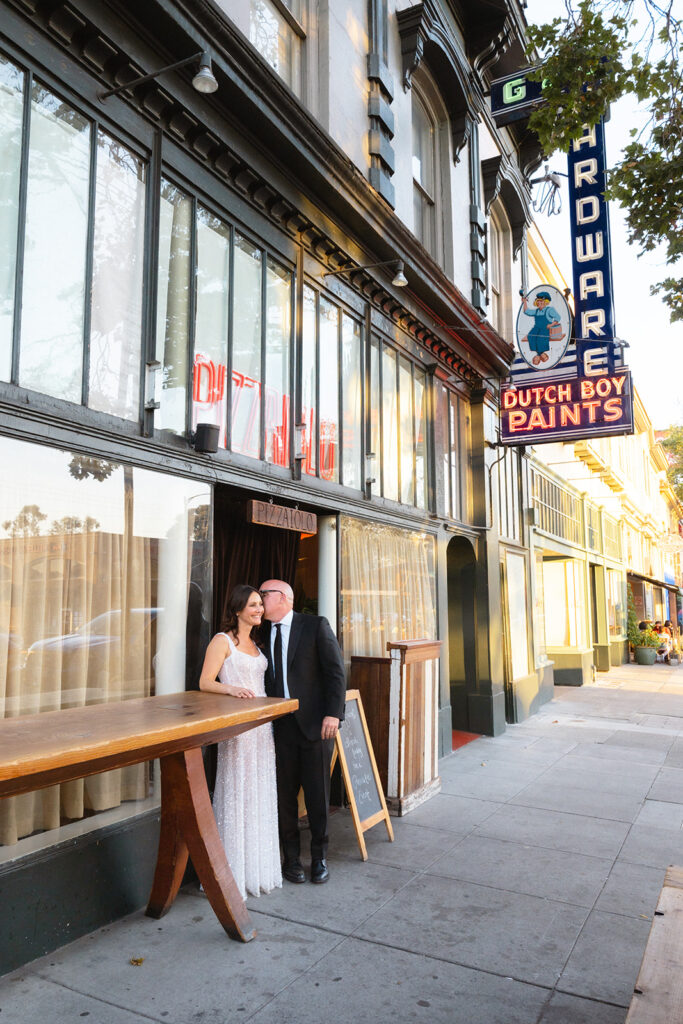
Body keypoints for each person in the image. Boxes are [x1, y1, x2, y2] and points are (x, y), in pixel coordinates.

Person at [259, 579, 346, 885]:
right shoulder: (260, 631)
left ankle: (320, 858)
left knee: (317, 796)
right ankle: (292, 859)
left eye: (264, 594)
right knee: (284, 798)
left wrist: (334, 713)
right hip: (278, 729)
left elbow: (335, 672)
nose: (259, 599)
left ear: (283, 598)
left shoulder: (314, 626)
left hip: (314, 727)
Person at [198, 584, 281, 899]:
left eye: (260, 604)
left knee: (259, 792)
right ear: (236, 610)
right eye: (252, 605)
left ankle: (258, 868)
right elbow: (205, 682)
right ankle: (231, 873)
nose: (259, 610)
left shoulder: (257, 643)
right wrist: (230, 689)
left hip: (261, 728)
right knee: (238, 790)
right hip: (237, 726)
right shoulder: (222, 641)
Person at [520, 291, 562, 366]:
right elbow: (526, 311)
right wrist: (524, 302)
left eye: (542, 301)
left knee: (540, 339)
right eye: (538, 301)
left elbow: (558, 318)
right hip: (536, 327)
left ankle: (539, 355)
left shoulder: (549, 310)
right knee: (530, 336)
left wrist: (551, 325)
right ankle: (541, 354)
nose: (540, 303)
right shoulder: (536, 311)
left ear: (546, 302)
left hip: (544, 328)